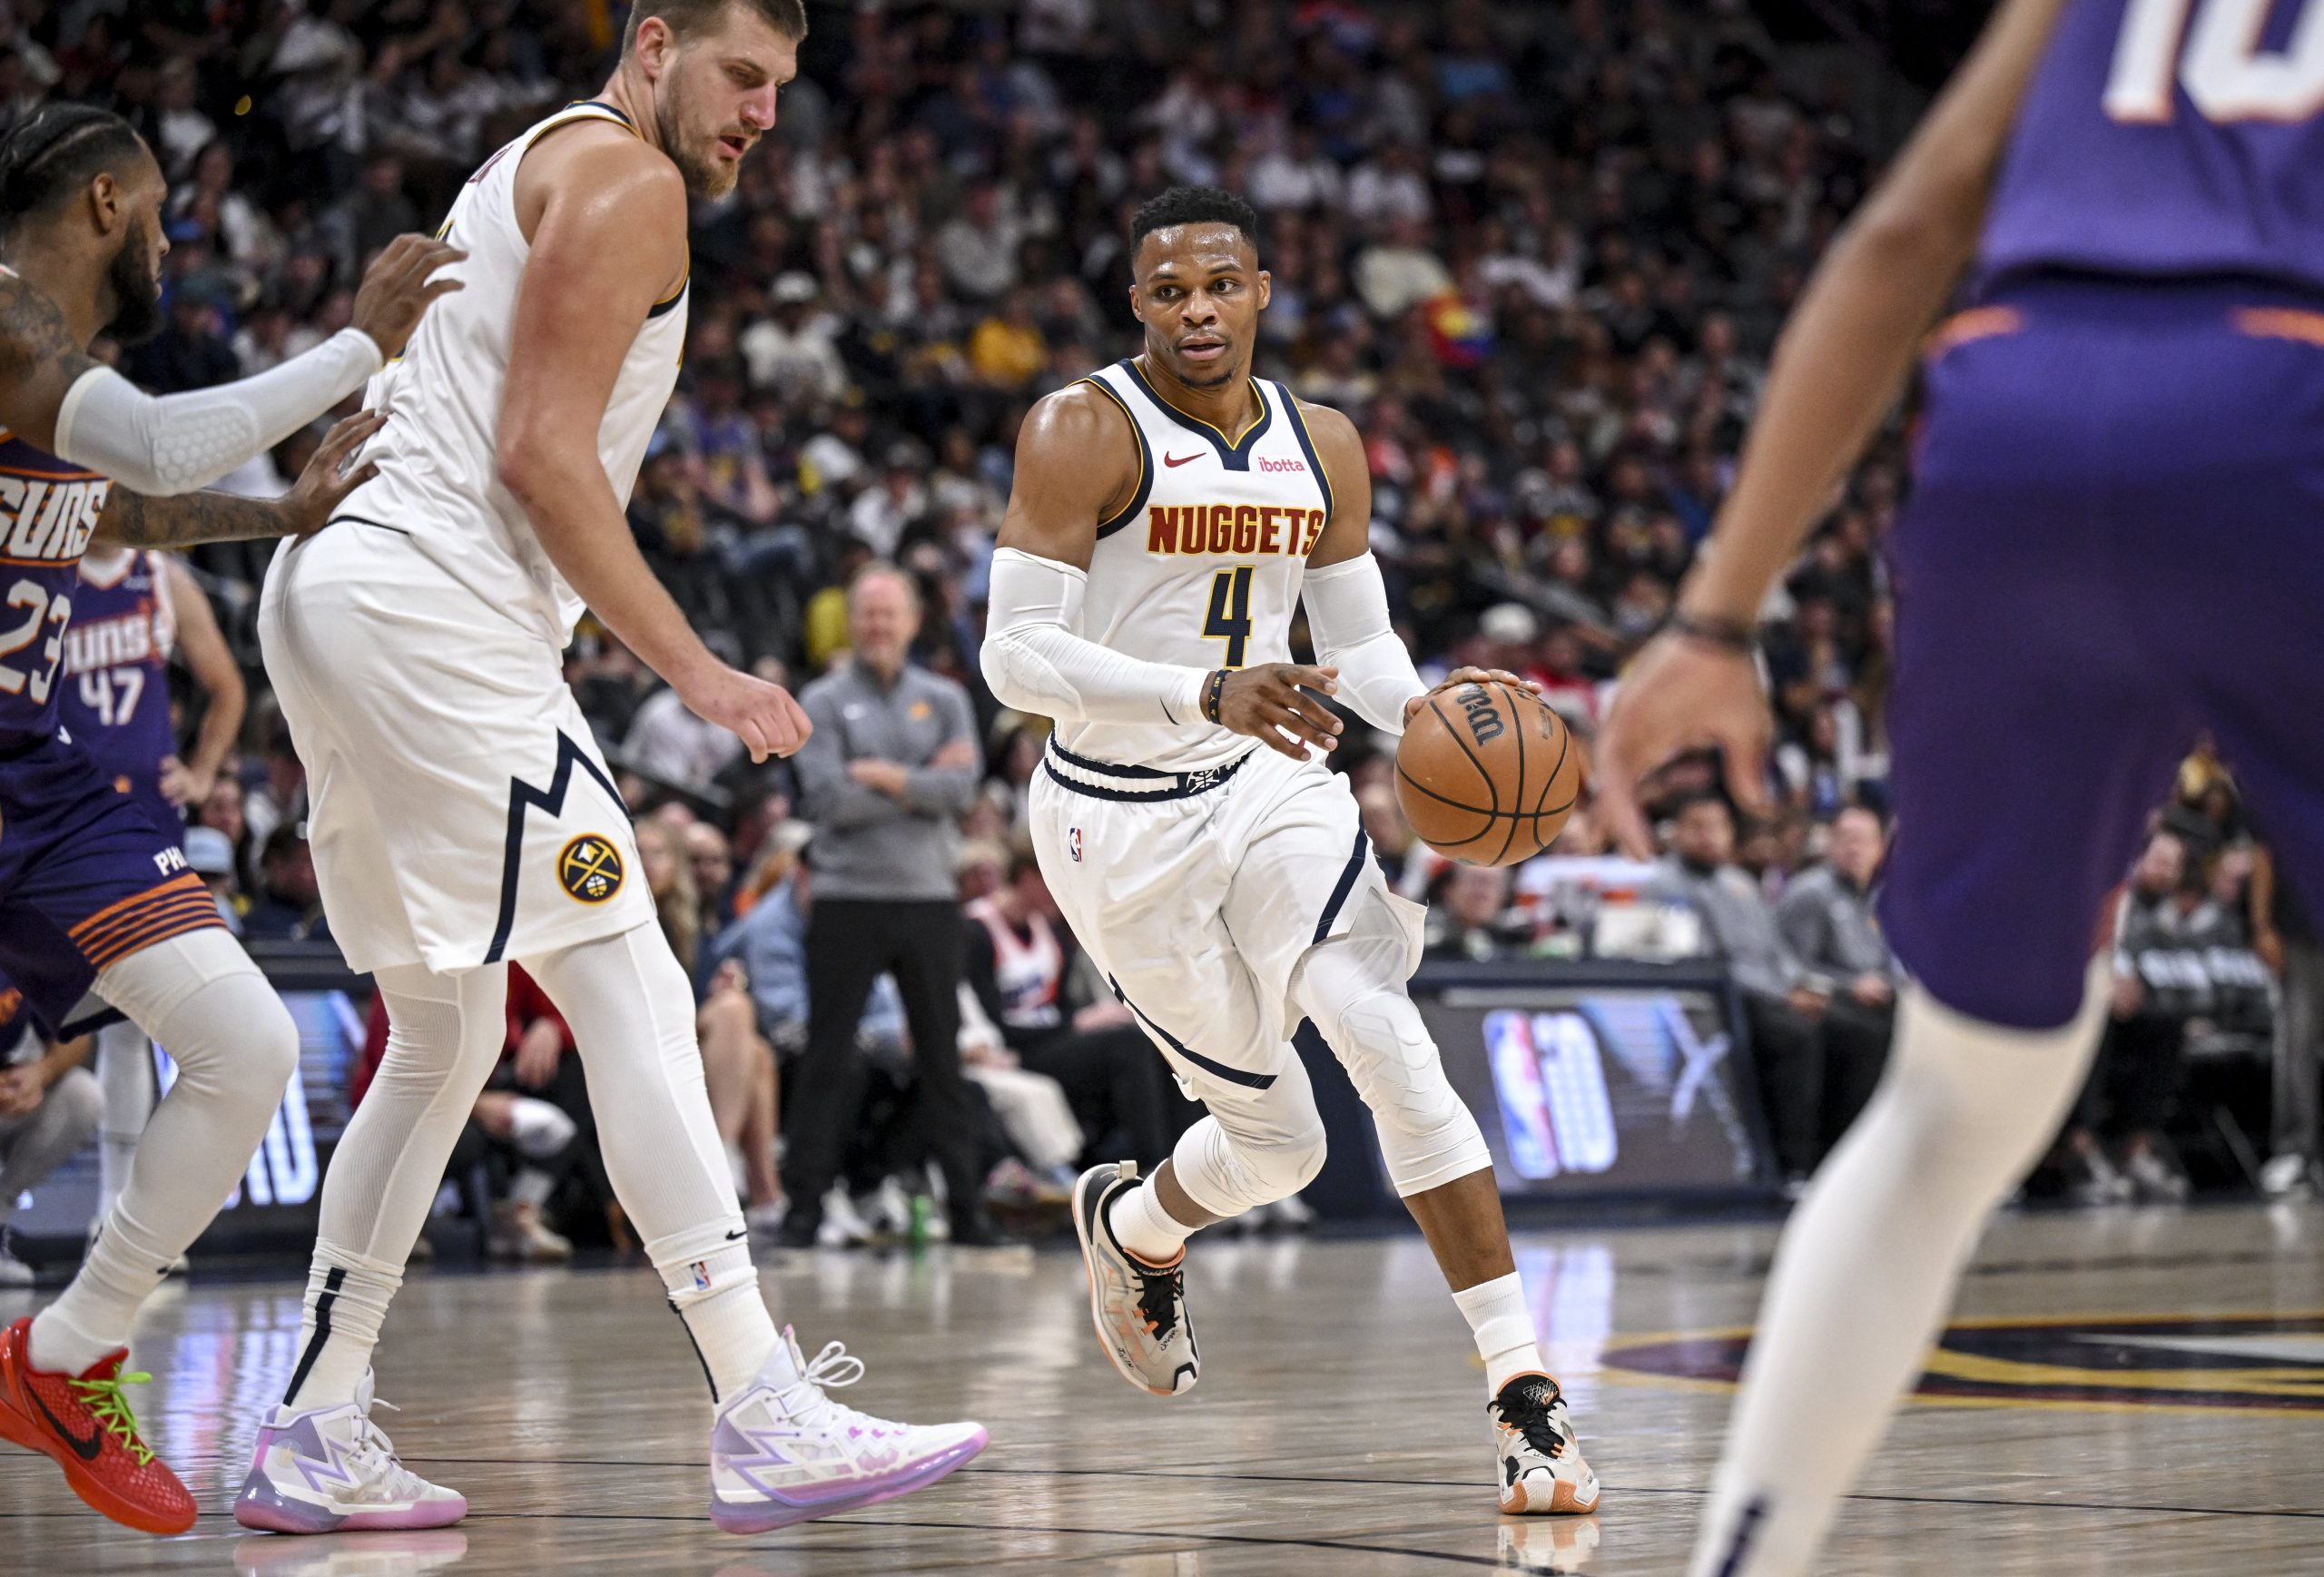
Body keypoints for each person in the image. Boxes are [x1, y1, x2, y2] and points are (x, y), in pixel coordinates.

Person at [1591, 1, 2324, 1570]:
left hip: (2017, 414)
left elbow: (1911, 222)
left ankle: (1745, 1554)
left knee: (1962, 1090)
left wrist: (1717, 618)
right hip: (2287, 393)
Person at [242, 0, 984, 1539]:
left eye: (782, 90)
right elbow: (538, 448)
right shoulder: (629, 180)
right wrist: (699, 669)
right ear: (651, 45)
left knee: (441, 1038)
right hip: (430, 607)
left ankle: (316, 1418)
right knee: (632, 982)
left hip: (341, 594)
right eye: (739, 76)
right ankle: (762, 1400)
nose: (762, 115)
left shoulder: (524, 165)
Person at [979, 184, 1598, 1514]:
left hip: (1272, 782)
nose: (1196, 310)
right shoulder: (1082, 429)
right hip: (1111, 817)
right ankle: (1136, 1225)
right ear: (1136, 305)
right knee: (1283, 1151)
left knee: (1380, 1029)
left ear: (1262, 289)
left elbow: (1359, 646)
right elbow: (1012, 654)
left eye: (1219, 284)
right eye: (1167, 291)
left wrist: (1426, 710)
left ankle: (1525, 1395)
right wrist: (1200, 690)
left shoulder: (1324, 443)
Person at [0, 103, 455, 1536]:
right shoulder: (4, 320)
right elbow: (147, 441)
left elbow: (116, 504)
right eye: (156, 215)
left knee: (248, 1042)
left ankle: (67, 1351)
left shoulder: (58, 375)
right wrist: (358, 348)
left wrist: (278, 520)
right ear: (104, 205)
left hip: (43, 774)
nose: (170, 241)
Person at [780, 563, 991, 1247]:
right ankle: (803, 1207)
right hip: (847, 898)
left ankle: (967, 1208)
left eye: (889, 614)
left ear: (911, 621)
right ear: (853, 622)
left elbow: (963, 788)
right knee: (827, 1060)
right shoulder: (820, 697)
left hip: (929, 897)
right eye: (867, 614)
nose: (878, 626)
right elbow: (827, 802)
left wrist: (883, 774)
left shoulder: (947, 697)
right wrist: (920, 783)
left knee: (943, 1059)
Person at [60, 535, 244, 1230]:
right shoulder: (44, 575)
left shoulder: (159, 577)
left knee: (131, 1026)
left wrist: (201, 774)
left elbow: (226, 685)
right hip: (67, 826)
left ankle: (119, 1214)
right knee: (77, 1017)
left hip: (144, 824)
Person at [1649, 795, 1848, 1183]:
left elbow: (1777, 950)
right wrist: (1785, 996)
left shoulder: (1738, 881)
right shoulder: (1664, 885)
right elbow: (1707, 963)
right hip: (1723, 1000)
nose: (1708, 837)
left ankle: (1837, 1161)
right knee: (1796, 1035)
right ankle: (1793, 1166)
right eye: (1698, 827)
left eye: (1717, 827)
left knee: (1852, 1027)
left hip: (1773, 992)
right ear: (1677, 834)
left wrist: (1805, 984)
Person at [1772, 803, 1898, 1149]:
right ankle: (1842, 1147)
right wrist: (1849, 985)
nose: (1853, 848)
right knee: (1866, 1035)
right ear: (1829, 844)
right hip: (1822, 997)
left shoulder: (1883, 895)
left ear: (1880, 849)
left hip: (1877, 996)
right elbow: (1790, 963)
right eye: (1845, 839)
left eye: (1863, 840)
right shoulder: (1809, 893)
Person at [0, 987, 101, 1288]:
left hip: (6, 1099)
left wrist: (40, 1073)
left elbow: (76, 1033)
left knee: (83, 1096)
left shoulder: (22, 946)